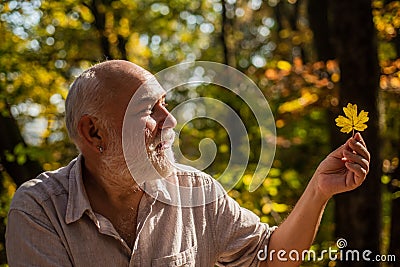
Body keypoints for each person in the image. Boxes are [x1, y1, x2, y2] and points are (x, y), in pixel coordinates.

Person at [5, 60, 370, 267]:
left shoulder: (197, 191)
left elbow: (272, 257)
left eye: (167, 105)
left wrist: (319, 191)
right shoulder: (39, 211)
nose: (172, 121)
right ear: (94, 133)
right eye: (150, 110)